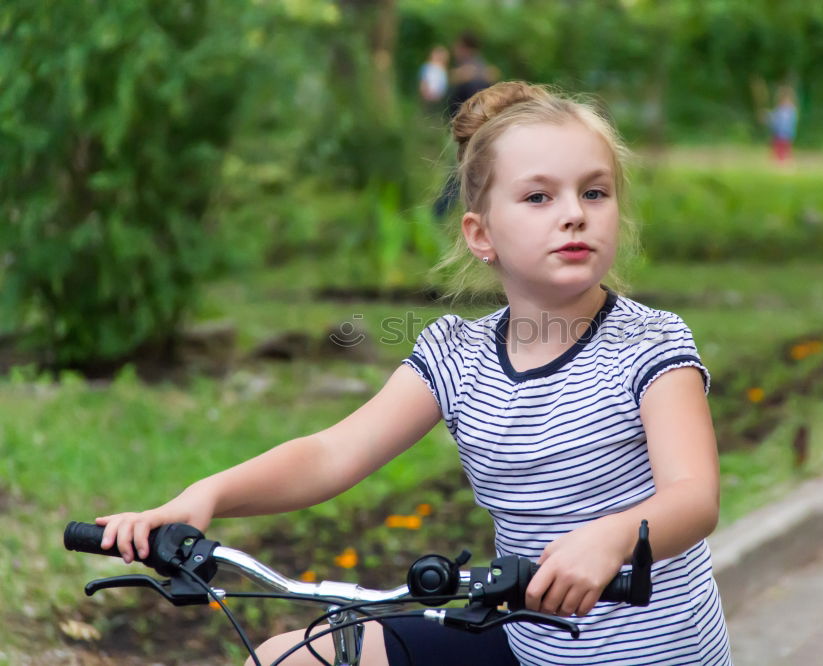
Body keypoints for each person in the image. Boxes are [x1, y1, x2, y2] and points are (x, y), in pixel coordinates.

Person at [96, 81, 732, 666]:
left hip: (658, 654)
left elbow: (693, 497)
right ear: (481, 235)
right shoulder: (458, 353)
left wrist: (616, 538)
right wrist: (207, 496)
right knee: (290, 659)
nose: (574, 214)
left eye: (594, 192)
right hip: (523, 645)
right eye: (539, 196)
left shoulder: (650, 341)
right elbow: (330, 453)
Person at [433, 31, 498, 219]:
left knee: (458, 177)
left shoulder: (469, 73)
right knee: (465, 176)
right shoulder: (482, 70)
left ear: (464, 47)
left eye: (457, 47)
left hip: (464, 132)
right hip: (476, 131)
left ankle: (436, 217)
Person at [768, 84, 798, 163]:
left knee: (786, 148)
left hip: (786, 133)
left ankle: (786, 161)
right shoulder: (779, 109)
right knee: (778, 148)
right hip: (778, 132)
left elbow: (790, 122)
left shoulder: (791, 110)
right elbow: (773, 118)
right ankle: (778, 161)